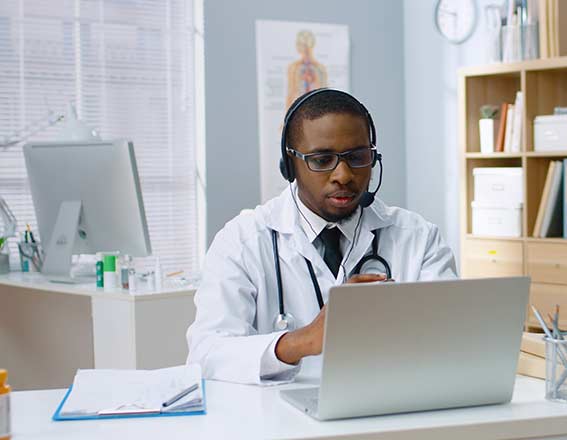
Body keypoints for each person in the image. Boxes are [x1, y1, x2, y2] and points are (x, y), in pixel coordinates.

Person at [186, 89, 457, 385]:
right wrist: (302, 341)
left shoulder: (418, 238)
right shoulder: (243, 241)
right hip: (281, 424)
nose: (343, 174)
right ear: (290, 166)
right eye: (322, 159)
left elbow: (455, 339)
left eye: (357, 157)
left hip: (391, 411)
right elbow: (206, 354)